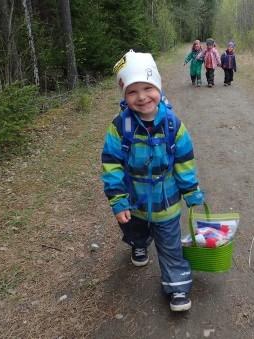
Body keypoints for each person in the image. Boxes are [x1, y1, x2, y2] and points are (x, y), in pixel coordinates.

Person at [101, 50, 204, 312]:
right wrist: (118, 199)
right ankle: (138, 245)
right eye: (132, 91)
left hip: (166, 202)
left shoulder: (172, 125)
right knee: (135, 230)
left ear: (158, 87)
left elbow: (184, 160)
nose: (142, 97)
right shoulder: (119, 127)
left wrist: (191, 191)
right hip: (134, 201)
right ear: (124, 95)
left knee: (170, 248)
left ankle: (177, 287)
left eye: (148, 88)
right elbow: (111, 163)